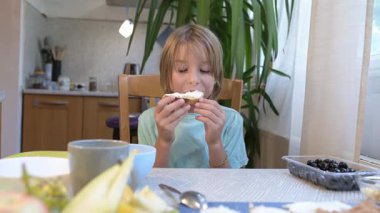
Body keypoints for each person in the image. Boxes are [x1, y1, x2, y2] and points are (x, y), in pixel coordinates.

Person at [138, 24, 248, 168]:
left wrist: (215, 143)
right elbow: (150, 180)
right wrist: (164, 140)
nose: (193, 79)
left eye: (205, 70)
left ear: (216, 78)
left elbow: (229, 183)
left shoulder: (231, 121)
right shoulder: (149, 121)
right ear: (168, 77)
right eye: (182, 69)